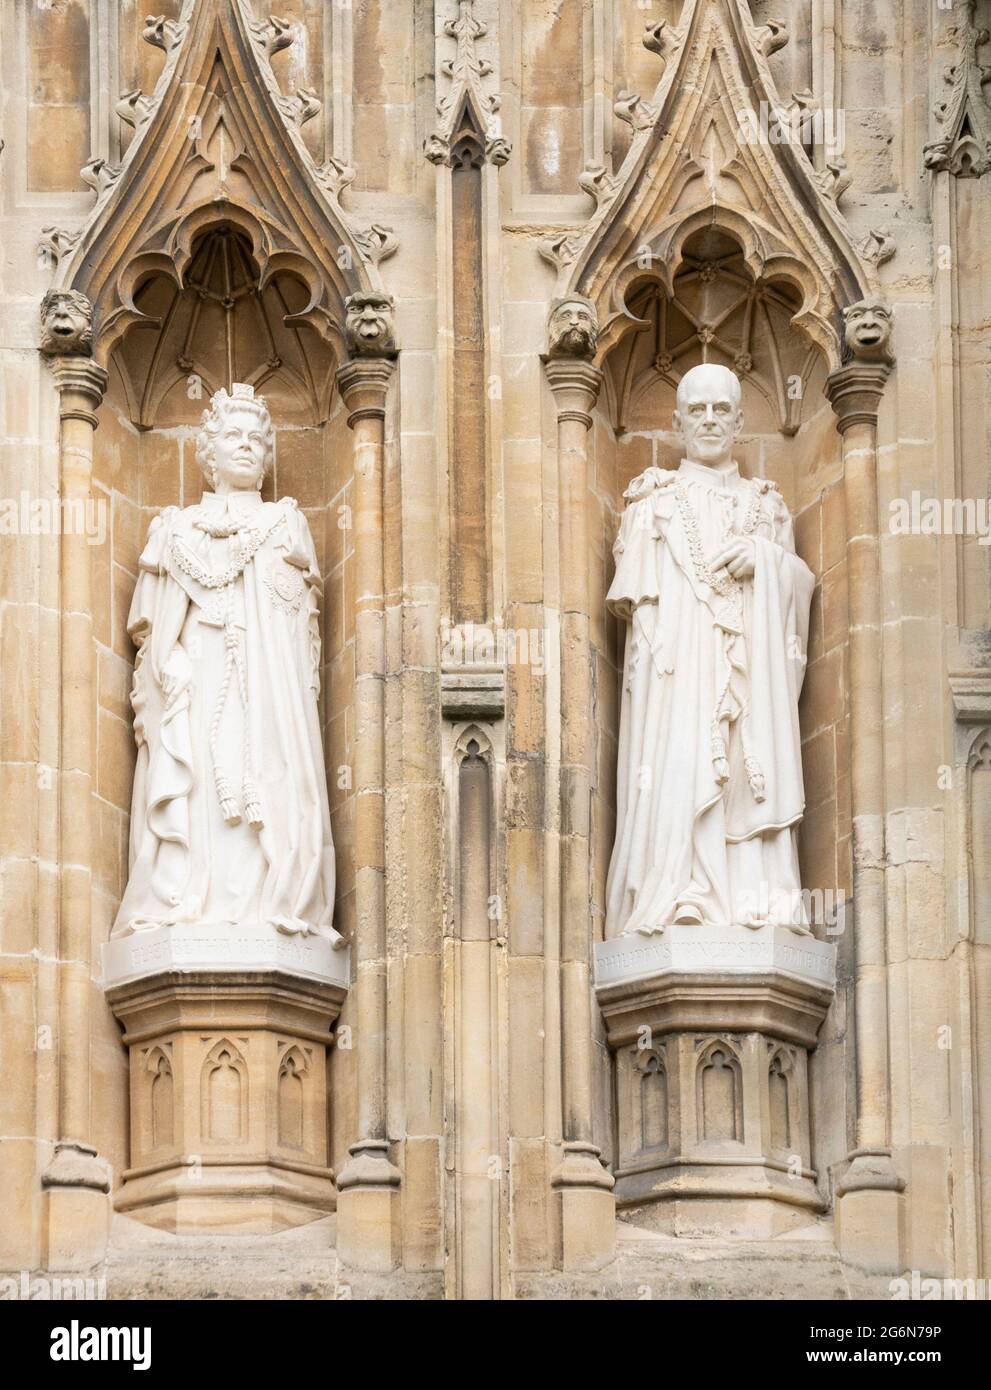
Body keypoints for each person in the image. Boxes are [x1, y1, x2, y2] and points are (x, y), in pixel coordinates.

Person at [112, 383, 335, 938]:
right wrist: (171, 662)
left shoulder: (285, 523)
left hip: (265, 684)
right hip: (199, 679)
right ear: (208, 453)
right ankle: (187, 900)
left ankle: (269, 902)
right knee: (203, 788)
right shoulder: (176, 528)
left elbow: (296, 625)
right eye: (231, 436)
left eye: (257, 439)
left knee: (265, 778)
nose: (245, 446)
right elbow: (154, 628)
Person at [605, 363, 815, 938]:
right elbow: (640, 620)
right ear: (676, 422)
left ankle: (755, 896)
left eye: (721, 410)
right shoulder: (653, 502)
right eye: (696, 411)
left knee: (750, 768)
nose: (709, 420)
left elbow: (798, 595)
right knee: (679, 767)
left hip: (751, 673)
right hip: (681, 678)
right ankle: (678, 891)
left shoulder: (767, 508)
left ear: (742, 422)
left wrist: (766, 563)